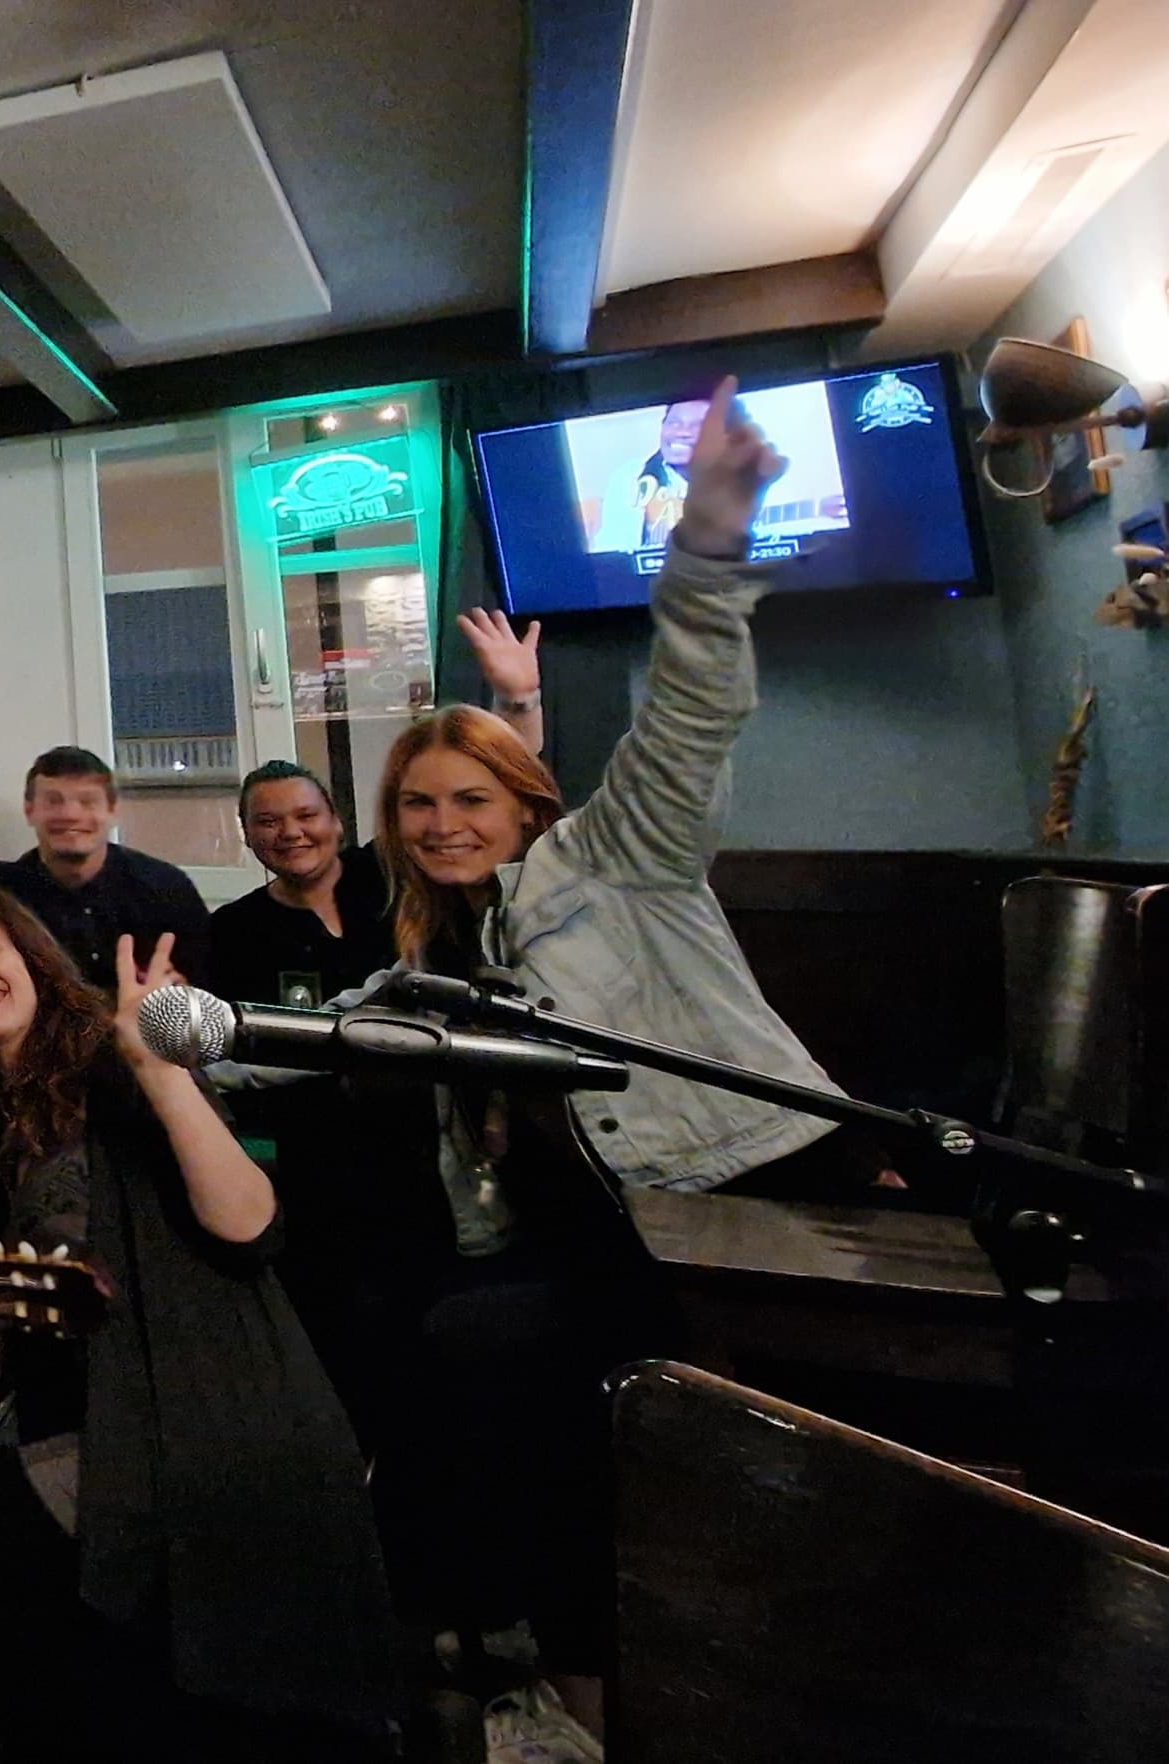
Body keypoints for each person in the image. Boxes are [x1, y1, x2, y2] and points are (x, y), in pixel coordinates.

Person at [355, 381, 901, 1758]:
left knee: (548, 1395)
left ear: (525, 800)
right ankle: (568, 1686)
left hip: (763, 1185)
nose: (440, 824)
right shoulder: (446, 953)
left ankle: (615, 1688)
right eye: (416, 806)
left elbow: (691, 717)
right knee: (466, 1355)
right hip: (623, 1233)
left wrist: (705, 545)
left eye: (469, 799)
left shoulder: (614, 855)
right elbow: (346, 1039)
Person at [0, 878, 399, 1757]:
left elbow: (251, 1222)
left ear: (31, 959)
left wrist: (160, 1072)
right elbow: (75, 1245)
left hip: (199, 1413)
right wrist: (0, 1317)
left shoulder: (111, 1063)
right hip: (115, 1402)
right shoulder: (4, 1106)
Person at [207, 611, 544, 1009]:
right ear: (246, 834)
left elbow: (502, 783)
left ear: (336, 822)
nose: (291, 832)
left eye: (306, 816)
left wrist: (519, 703)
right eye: (268, 821)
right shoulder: (232, 930)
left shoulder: (391, 869)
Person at [0, 747, 208, 992]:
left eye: (87, 802)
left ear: (113, 810)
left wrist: (182, 992)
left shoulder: (168, 889)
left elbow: (207, 993)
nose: (70, 814)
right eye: (53, 801)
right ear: (29, 810)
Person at [591, 395, 712, 554]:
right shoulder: (629, 477)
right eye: (674, 422)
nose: (682, 432)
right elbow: (611, 551)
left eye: (699, 425)